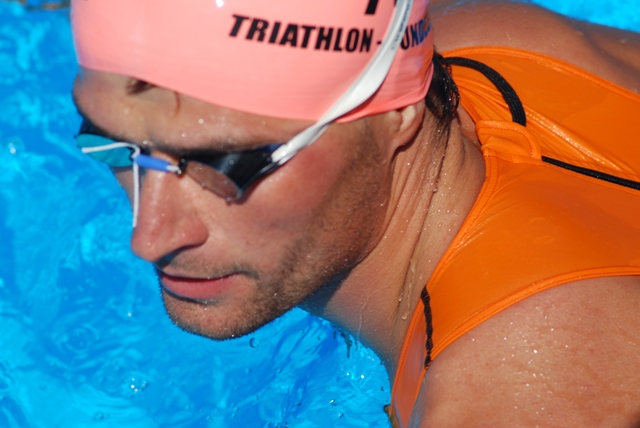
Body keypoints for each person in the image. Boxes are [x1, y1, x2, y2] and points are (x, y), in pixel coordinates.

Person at [70, 0, 640, 426]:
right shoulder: (498, 38)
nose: (149, 237)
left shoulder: (511, 400)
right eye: (114, 145)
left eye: (227, 163)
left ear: (397, 114)